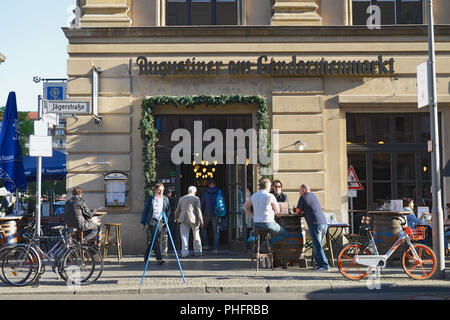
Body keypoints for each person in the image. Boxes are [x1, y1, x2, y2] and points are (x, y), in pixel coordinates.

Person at [243, 178, 288, 253]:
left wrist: (252, 216)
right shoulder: (270, 196)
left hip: (257, 223)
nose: (271, 187)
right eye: (270, 185)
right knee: (284, 234)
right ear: (267, 186)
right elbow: (277, 211)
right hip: (268, 223)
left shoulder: (254, 196)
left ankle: (263, 250)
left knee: (267, 233)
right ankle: (266, 244)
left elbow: (245, 207)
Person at [294, 184, 330, 271]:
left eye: (299, 191)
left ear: (303, 190)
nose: (299, 193)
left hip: (315, 224)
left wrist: (296, 212)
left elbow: (298, 211)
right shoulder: (313, 196)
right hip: (324, 224)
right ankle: (319, 265)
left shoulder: (303, 197)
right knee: (317, 245)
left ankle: (325, 265)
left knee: (317, 246)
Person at [141, 183, 171, 265]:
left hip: (160, 221)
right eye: (159, 190)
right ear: (155, 191)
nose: (161, 192)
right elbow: (145, 211)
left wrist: (165, 219)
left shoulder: (165, 199)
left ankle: (146, 255)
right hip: (152, 221)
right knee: (155, 240)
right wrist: (142, 223)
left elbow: (168, 209)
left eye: (162, 190)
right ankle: (159, 259)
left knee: (154, 240)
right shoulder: (150, 199)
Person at [174, 186, 204, 258]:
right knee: (196, 235)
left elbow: (177, 210)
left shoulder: (181, 198)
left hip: (183, 219)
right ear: (195, 192)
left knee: (184, 236)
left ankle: (184, 252)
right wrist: (201, 221)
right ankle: (197, 251)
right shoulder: (196, 198)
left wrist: (176, 217)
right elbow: (198, 210)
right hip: (194, 219)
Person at [200, 179, 223, 253]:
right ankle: (216, 248)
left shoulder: (205, 192)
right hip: (216, 213)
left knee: (203, 228)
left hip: (206, 213)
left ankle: (206, 244)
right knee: (216, 231)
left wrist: (201, 213)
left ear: (209, 185)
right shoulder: (219, 191)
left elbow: (202, 204)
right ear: (215, 185)